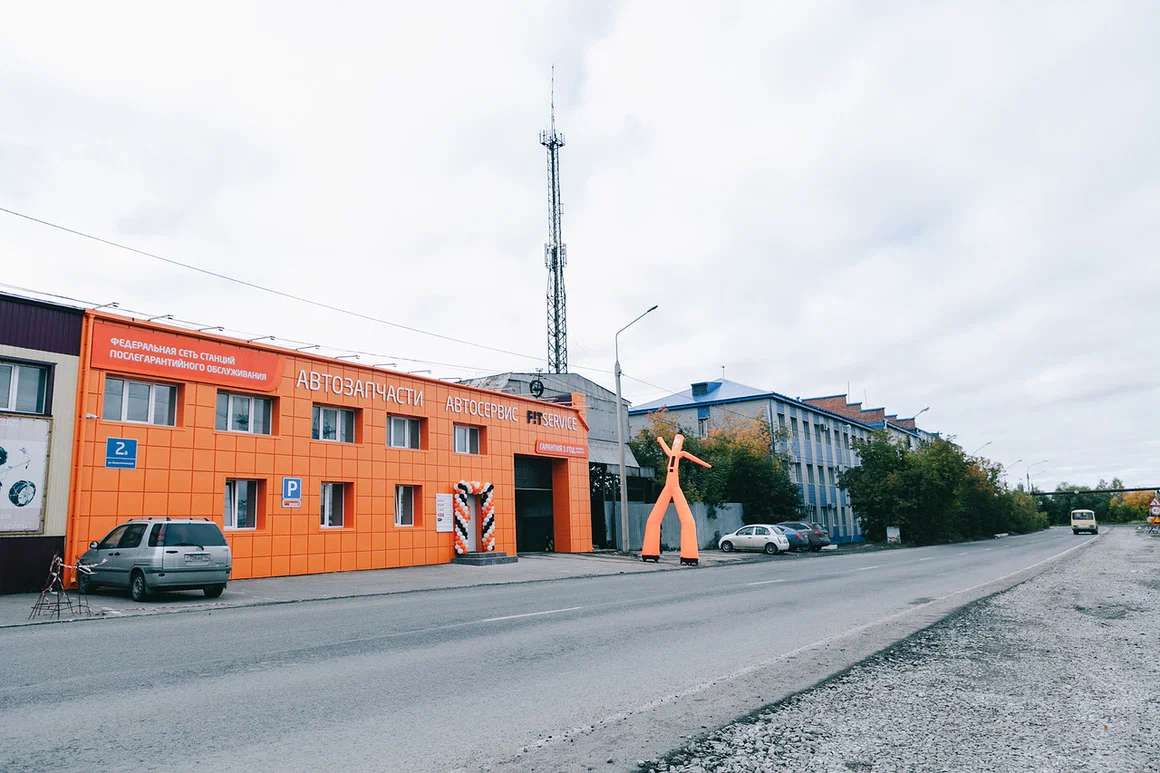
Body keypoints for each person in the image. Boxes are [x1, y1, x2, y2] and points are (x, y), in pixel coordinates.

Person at [641, 433, 711, 565]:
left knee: (685, 521)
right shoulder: (675, 453)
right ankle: (652, 552)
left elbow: (691, 457)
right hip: (669, 486)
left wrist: (660, 439)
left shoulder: (678, 453)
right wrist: (660, 440)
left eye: (677, 442)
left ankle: (686, 554)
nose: (676, 445)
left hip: (673, 486)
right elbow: (691, 457)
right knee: (655, 520)